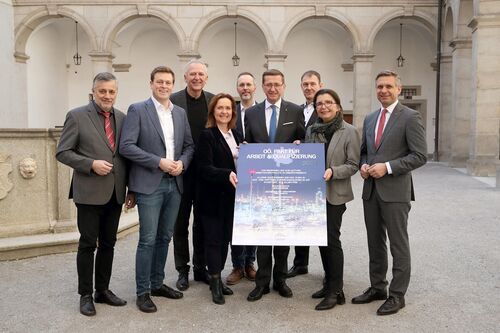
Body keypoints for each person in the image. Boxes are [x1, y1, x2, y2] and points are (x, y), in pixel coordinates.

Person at [56, 72, 134, 316]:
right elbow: (63, 152)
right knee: (88, 244)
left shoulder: (123, 118)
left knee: (109, 243)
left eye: (111, 91)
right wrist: (90, 164)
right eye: (102, 91)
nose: (107, 96)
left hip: (115, 193)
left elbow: (126, 156)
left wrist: (131, 189)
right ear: (94, 92)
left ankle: (103, 290)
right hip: (89, 192)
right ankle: (85, 295)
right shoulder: (77, 116)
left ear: (116, 93)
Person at [119, 66, 195, 313]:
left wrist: (182, 163)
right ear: (151, 83)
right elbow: (127, 146)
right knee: (148, 239)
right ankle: (143, 292)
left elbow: (189, 146)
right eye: (159, 82)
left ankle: (157, 282)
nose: (164, 86)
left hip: (174, 182)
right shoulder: (138, 109)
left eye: (168, 82)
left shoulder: (180, 113)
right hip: (150, 183)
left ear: (173, 85)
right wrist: (158, 161)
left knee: (165, 237)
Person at [352, 70, 427, 315]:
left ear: (398, 88)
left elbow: (419, 155)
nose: (383, 90)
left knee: (398, 244)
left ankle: (397, 295)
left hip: (395, 191)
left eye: (388, 86)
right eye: (380, 87)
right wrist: (364, 165)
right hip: (371, 191)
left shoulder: (410, 117)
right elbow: (365, 151)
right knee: (375, 242)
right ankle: (377, 287)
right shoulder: (371, 118)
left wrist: (388, 167)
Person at [245, 69, 305, 302]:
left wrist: (300, 144)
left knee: (282, 234)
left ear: (284, 86)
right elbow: (248, 142)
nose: (272, 88)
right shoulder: (251, 113)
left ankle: (280, 279)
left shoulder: (295, 110)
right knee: (262, 235)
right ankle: (261, 283)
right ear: (262, 86)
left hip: (286, 183)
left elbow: (302, 139)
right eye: (268, 84)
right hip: (260, 184)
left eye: (276, 84)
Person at [305, 89, 360, 311]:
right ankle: (329, 283)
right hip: (315, 195)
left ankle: (335, 290)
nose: (324, 106)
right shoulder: (312, 130)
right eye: (319, 103)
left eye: (328, 102)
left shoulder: (349, 131)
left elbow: (353, 164)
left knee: (332, 240)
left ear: (338, 106)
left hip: (335, 194)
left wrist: (333, 171)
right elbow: (308, 158)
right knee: (321, 239)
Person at [170, 59, 214, 291]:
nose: (197, 78)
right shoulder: (173, 100)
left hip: (206, 173)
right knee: (180, 223)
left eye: (201, 74)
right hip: (181, 172)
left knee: (202, 223)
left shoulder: (214, 100)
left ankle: (200, 267)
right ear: (185, 77)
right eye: (192, 74)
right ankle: (182, 270)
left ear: (206, 78)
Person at [196, 93, 242, 304]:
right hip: (212, 198)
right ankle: (214, 282)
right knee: (213, 240)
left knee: (225, 240)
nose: (224, 111)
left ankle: (219, 277)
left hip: (232, 199)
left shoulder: (238, 135)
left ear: (233, 112)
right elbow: (204, 168)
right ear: (213, 111)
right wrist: (226, 174)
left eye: (228, 108)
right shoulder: (207, 135)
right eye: (220, 108)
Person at [288, 70, 324, 279]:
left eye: (312, 84)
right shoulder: (297, 111)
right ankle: (301, 263)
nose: (309, 87)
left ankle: (328, 270)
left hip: (320, 174)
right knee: (300, 219)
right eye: (305, 84)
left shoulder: (326, 109)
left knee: (319, 224)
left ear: (320, 84)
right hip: (300, 173)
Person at [226, 72, 258, 285]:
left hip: (257, 176)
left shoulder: (262, 111)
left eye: (248, 84)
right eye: (241, 85)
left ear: (254, 87)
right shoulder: (230, 112)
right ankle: (237, 265)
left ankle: (250, 262)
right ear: (237, 88)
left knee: (254, 221)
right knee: (235, 221)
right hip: (234, 175)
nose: (245, 88)